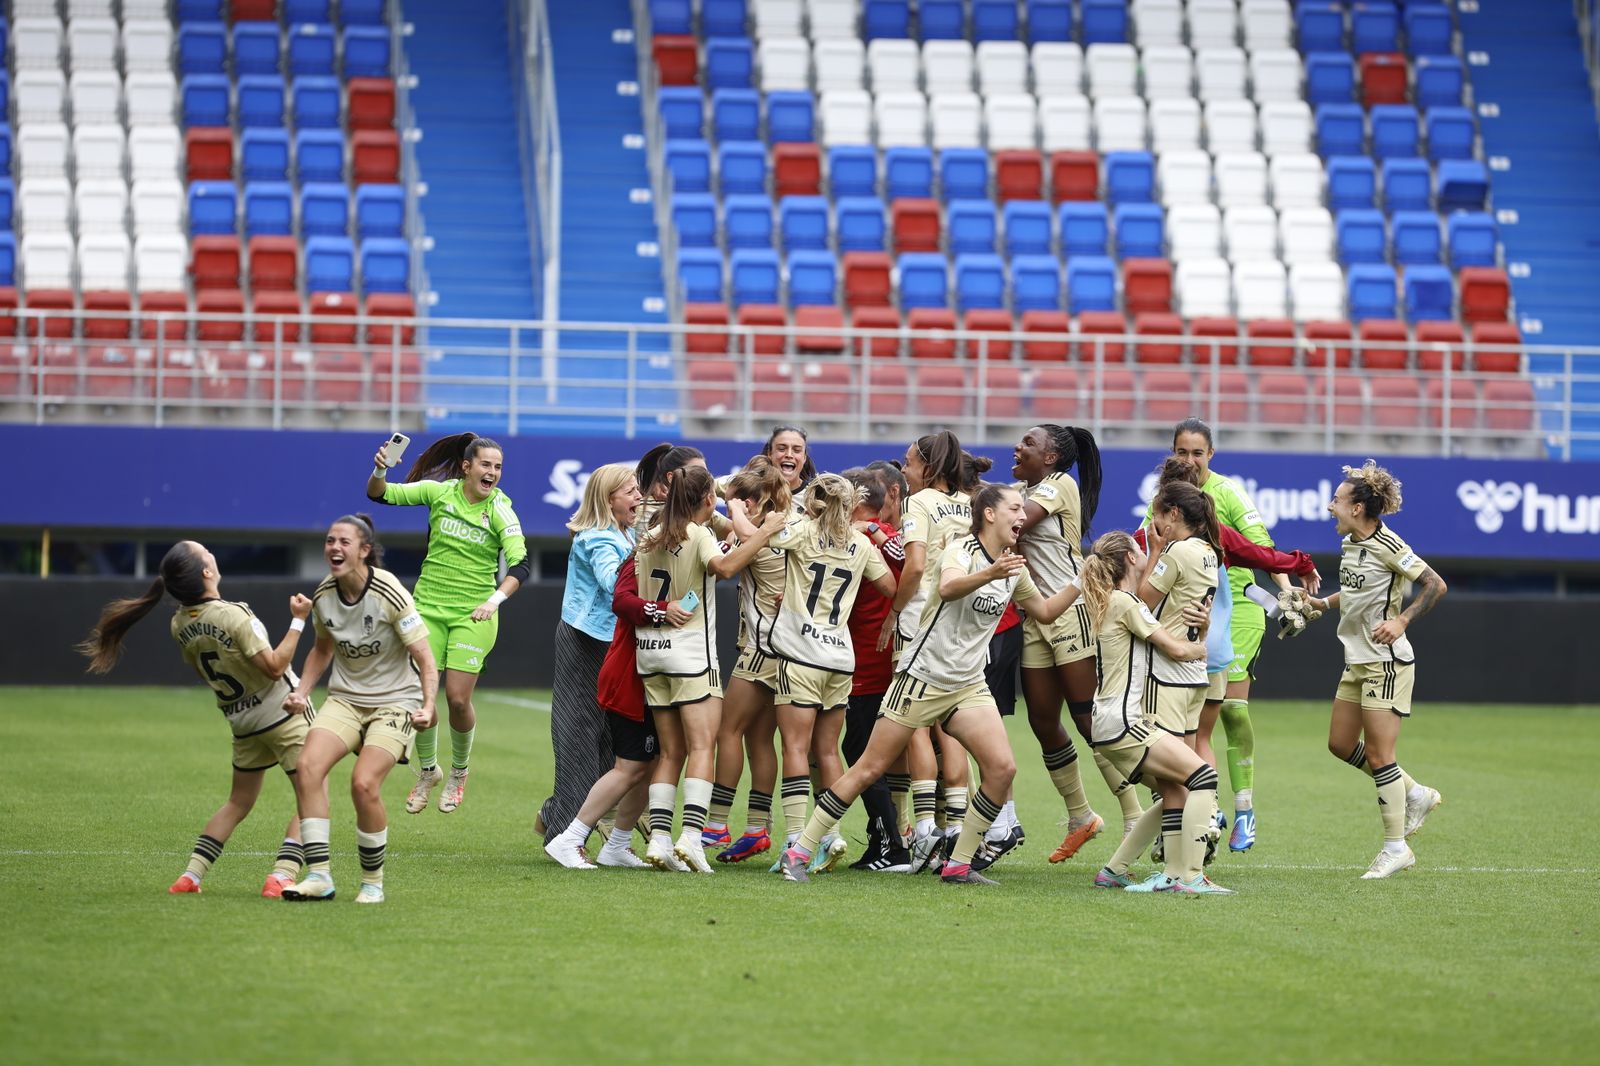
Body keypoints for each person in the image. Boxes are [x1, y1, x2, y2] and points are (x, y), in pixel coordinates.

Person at [779, 483, 1084, 886]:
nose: (1023, 516)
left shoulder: (1013, 568)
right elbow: (947, 587)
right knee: (870, 767)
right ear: (989, 514)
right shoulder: (961, 551)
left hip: (968, 684)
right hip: (922, 677)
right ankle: (798, 851)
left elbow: (1044, 611)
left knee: (1002, 769)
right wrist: (991, 572)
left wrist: (1081, 581)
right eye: (1014, 508)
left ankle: (958, 864)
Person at [77, 542, 315, 898]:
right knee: (313, 792)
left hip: (242, 723)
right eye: (207, 553)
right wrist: (299, 619)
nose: (213, 555)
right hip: (283, 713)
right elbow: (275, 666)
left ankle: (191, 876)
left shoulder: (178, 624)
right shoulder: (233, 614)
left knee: (238, 802)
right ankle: (282, 875)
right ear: (206, 571)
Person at [279, 515, 439, 903]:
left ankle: (373, 883)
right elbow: (322, 649)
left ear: (364, 550)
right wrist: (301, 691)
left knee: (363, 784)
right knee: (308, 768)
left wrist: (429, 705)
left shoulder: (391, 592)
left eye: (344, 542)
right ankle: (319, 876)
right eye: (330, 540)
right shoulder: (323, 595)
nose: (334, 547)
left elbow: (425, 656)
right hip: (345, 700)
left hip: (395, 702)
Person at [634, 465, 786, 873]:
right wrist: (765, 533)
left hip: (650, 652)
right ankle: (692, 836)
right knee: (702, 747)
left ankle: (660, 841)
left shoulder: (647, 535)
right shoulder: (698, 534)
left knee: (670, 751)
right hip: (690, 656)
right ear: (706, 501)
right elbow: (725, 569)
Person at [366, 433, 527, 816]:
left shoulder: (501, 509)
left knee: (456, 698)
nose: (492, 472)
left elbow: (520, 565)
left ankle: (459, 771)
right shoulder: (439, 493)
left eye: (498, 466)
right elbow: (379, 494)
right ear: (467, 467)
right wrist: (380, 468)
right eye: (486, 465)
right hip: (427, 610)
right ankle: (427, 772)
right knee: (424, 699)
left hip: (475, 614)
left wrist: (493, 600)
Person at [1305, 461, 1446, 880]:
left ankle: (1395, 847)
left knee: (1382, 755)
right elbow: (1354, 591)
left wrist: (1401, 621)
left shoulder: (1388, 544)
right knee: (1340, 744)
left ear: (1359, 507)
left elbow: (1435, 584)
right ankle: (1414, 792)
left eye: (1337, 500)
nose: (1331, 506)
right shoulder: (1351, 543)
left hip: (1387, 662)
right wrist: (1320, 605)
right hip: (1357, 661)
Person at [1074, 531, 1234, 895]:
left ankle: (1116, 870)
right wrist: (1204, 641)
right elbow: (1177, 651)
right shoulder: (1126, 603)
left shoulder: (1116, 601)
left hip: (1112, 723)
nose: (1147, 552)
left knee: (1176, 790)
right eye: (1140, 549)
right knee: (1204, 778)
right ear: (1131, 559)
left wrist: (1199, 634)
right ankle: (1189, 877)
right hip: (1126, 722)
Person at [1156, 419, 1280, 851]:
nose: (1189, 460)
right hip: (1188, 613)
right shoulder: (1167, 498)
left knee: (1230, 710)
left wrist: (1287, 591)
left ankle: (1242, 809)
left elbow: (1260, 546)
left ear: (1211, 456)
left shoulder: (1226, 493)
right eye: (1181, 452)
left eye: (1197, 453)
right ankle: (1200, 809)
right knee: (1183, 726)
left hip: (1237, 609)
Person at [767, 474, 897, 873]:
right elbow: (892, 586)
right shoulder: (860, 543)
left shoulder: (802, 531)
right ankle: (833, 833)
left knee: (794, 747)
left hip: (801, 655)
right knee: (827, 750)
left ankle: (794, 839)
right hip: (841, 658)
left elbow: (762, 538)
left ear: (815, 502)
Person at [1003, 423, 1119, 868]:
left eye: (1028, 443)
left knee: (1088, 719)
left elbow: (1013, 521)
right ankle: (1081, 817)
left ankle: (1136, 816)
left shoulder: (1059, 485)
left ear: (1050, 457)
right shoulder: (1020, 487)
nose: (1019, 446)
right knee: (1043, 721)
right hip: (1034, 616)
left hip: (1071, 612)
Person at [544, 552, 689, 870]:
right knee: (629, 766)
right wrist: (664, 610)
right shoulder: (640, 558)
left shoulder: (682, 554)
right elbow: (622, 602)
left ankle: (618, 844)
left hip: (652, 677)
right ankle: (569, 838)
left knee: (649, 765)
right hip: (629, 678)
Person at [537, 463, 643, 847]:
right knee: (580, 734)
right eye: (630, 491)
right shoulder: (598, 538)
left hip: (609, 641)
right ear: (608, 498)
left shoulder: (625, 531)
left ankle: (559, 814)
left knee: (609, 737)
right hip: (586, 639)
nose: (639, 497)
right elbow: (615, 583)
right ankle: (563, 832)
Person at [887, 431, 975, 871]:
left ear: (929, 466)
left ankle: (924, 833)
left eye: (908, 463)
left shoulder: (918, 503)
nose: (904, 472)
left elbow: (916, 565)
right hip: (965, 628)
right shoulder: (970, 503)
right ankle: (957, 830)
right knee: (953, 727)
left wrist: (895, 610)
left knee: (915, 725)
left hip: (923, 621)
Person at [702, 457, 791, 862]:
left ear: (755, 502)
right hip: (792, 650)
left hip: (762, 648)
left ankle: (716, 822)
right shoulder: (792, 521)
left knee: (727, 729)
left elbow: (727, 565)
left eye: (741, 501)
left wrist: (733, 504)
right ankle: (757, 828)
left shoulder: (760, 534)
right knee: (760, 739)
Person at [840, 464, 912, 872]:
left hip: (866, 659)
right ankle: (888, 841)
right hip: (886, 656)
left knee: (859, 749)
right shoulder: (895, 541)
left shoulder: (861, 540)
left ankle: (892, 845)